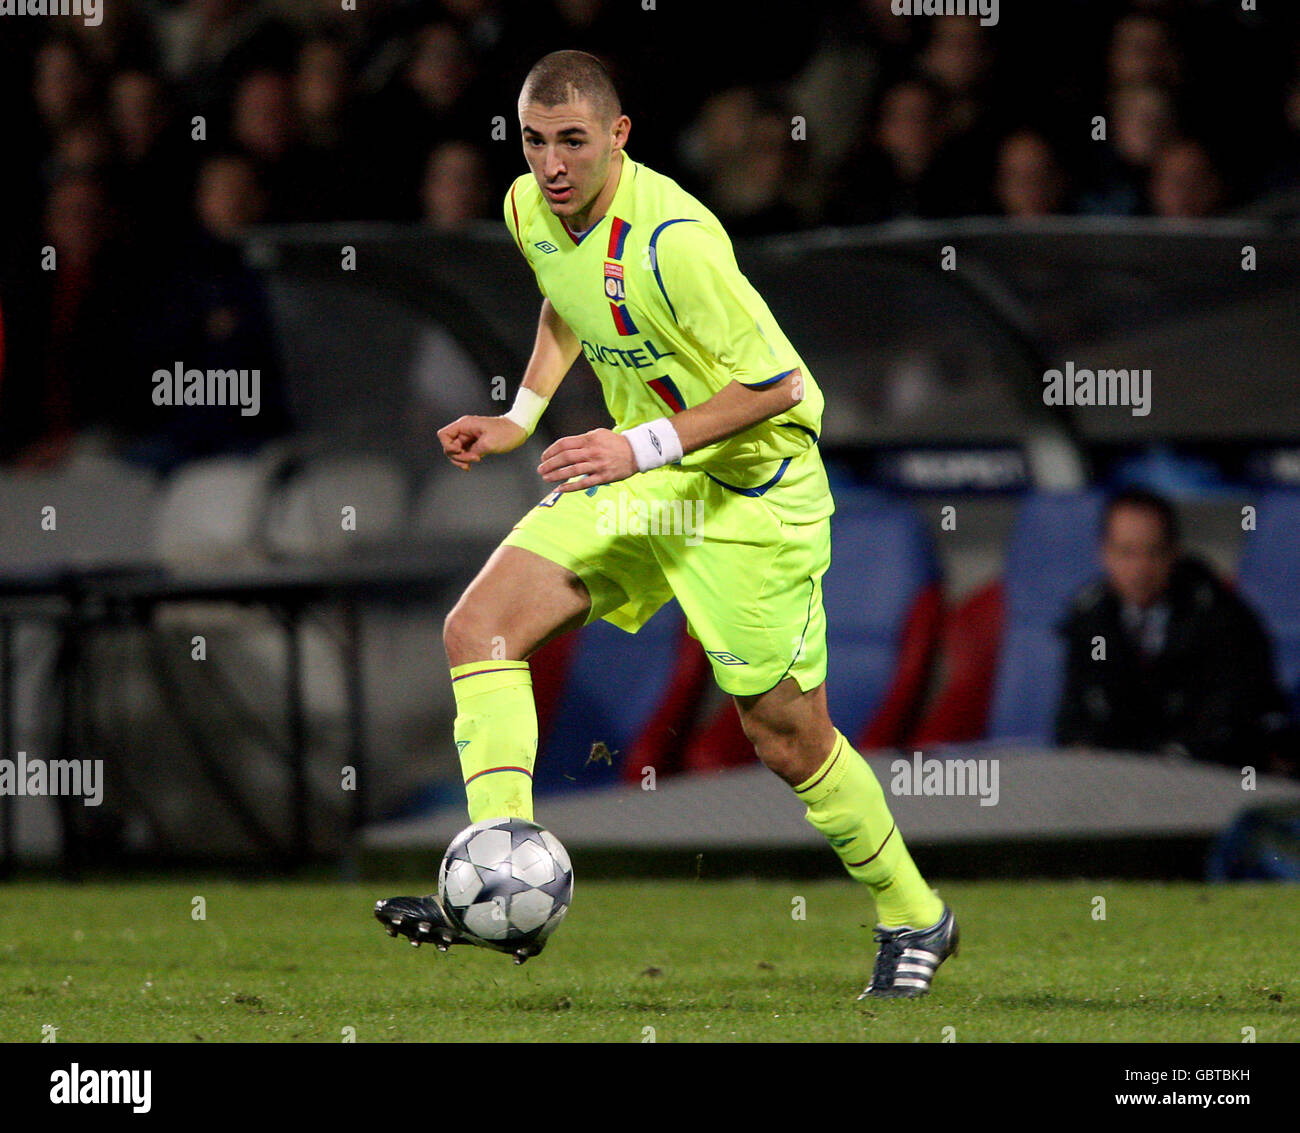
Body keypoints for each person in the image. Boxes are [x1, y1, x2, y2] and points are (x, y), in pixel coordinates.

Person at [375, 50, 958, 999]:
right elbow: (567, 305)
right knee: (478, 627)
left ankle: (914, 912)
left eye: (573, 141)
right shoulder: (528, 209)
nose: (552, 162)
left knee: (785, 735)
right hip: (643, 477)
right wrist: (522, 415)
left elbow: (777, 385)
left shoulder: (677, 238)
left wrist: (634, 446)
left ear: (619, 137)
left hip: (748, 494)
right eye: (534, 141)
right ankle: (499, 866)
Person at [1055, 489, 1295, 774]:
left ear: (1174, 553)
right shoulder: (1090, 618)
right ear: (1104, 554)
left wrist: (1159, 762)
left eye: (1153, 552)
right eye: (1126, 552)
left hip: (1210, 783)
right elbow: (1076, 720)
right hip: (1121, 785)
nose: (1139, 569)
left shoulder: (1222, 618)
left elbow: (1233, 724)